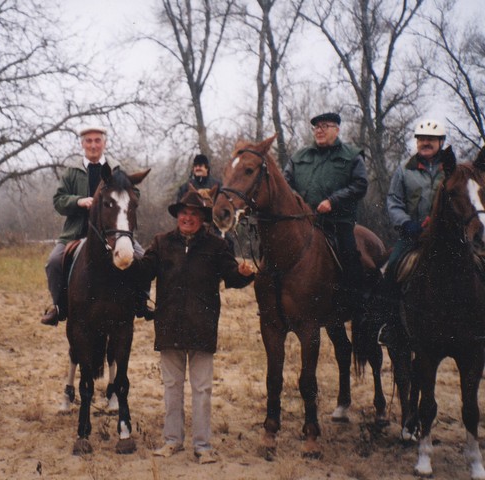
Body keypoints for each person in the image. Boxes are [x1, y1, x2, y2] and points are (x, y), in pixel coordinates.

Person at [131, 190, 254, 464]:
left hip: (202, 329)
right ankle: (172, 441)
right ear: (177, 216)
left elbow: (232, 277)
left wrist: (245, 274)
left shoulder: (216, 246)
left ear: (202, 219)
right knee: (172, 387)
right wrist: (124, 262)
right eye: (183, 213)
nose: (187, 218)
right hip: (169, 327)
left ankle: (203, 446)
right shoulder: (161, 243)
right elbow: (143, 271)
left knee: (202, 390)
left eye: (194, 214)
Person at [41, 125, 152, 326]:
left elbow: (134, 194)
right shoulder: (71, 172)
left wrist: (123, 200)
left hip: (113, 232)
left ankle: (142, 302)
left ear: (104, 143)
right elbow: (58, 200)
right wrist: (78, 201)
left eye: (97, 140)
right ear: (82, 144)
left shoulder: (117, 170)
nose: (93, 145)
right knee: (54, 262)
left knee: (143, 258)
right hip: (76, 233)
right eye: (89, 141)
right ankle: (59, 307)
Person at [283, 112, 368, 315]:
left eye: (325, 126)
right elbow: (285, 183)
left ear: (337, 130)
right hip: (303, 221)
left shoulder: (352, 155)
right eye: (316, 127)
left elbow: (360, 184)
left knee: (349, 255)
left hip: (337, 221)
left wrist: (333, 201)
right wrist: (296, 202)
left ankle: (353, 304)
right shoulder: (299, 156)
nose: (319, 130)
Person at [379, 119, 449, 345]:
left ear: (441, 142)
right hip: (413, 236)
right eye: (421, 139)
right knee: (391, 270)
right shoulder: (403, 170)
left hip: (448, 238)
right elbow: (393, 201)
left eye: (431, 139)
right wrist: (407, 223)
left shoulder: (451, 170)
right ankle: (390, 327)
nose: (425, 143)